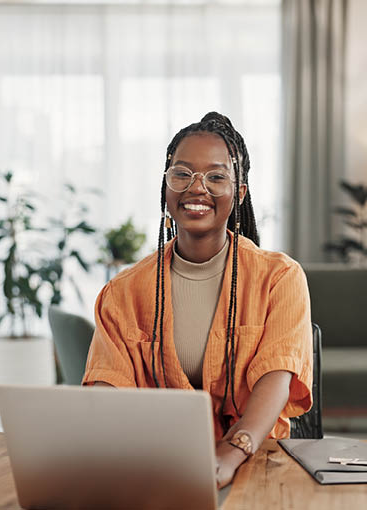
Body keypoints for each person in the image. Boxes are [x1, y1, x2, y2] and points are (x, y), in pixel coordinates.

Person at [82, 112, 313, 489]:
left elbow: (276, 378)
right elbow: (108, 387)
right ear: (166, 186)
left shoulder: (280, 278)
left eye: (216, 176)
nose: (196, 188)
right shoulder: (121, 292)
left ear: (238, 191)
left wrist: (233, 451)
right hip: (154, 467)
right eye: (182, 174)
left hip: (257, 464)